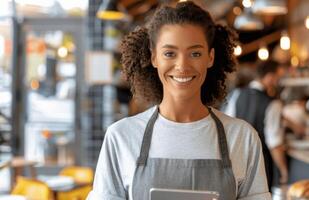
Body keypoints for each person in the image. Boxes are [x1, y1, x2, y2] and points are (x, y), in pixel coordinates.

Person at [87, 1, 271, 200]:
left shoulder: (242, 137)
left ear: (210, 57)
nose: (182, 66)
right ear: (154, 57)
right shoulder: (121, 137)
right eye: (169, 53)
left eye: (195, 53)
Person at [225, 60, 287, 190]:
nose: (278, 82)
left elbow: (227, 126)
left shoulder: (237, 94)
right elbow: (274, 143)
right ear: (270, 77)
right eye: (278, 78)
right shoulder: (273, 104)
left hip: (236, 160)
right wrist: (283, 170)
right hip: (261, 164)